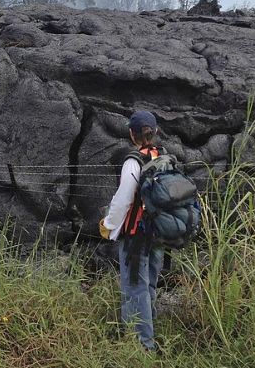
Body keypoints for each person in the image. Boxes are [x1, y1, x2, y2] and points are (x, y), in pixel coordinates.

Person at [99, 110, 163, 352]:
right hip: (158, 232)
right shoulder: (163, 156)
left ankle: (142, 346)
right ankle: (143, 332)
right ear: (155, 132)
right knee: (148, 286)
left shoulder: (133, 161)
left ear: (131, 134)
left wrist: (108, 224)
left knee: (134, 288)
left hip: (136, 234)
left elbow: (124, 198)